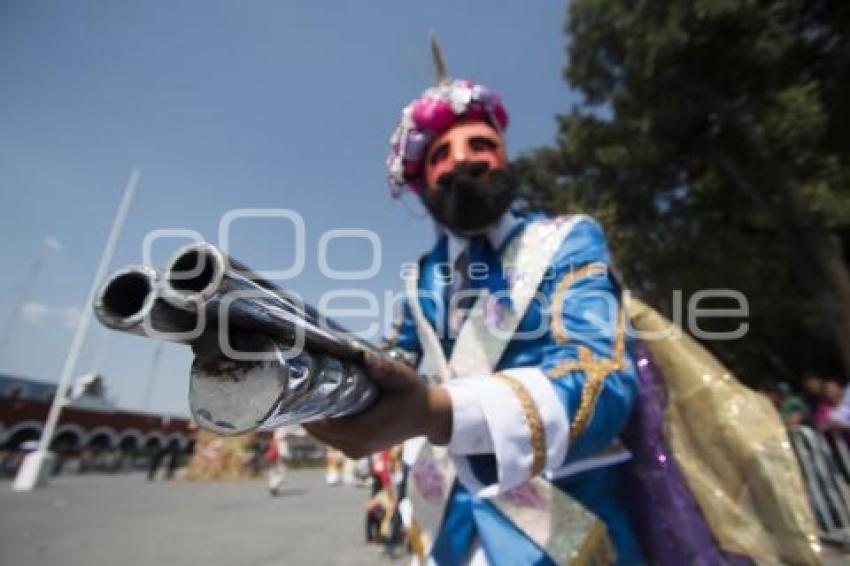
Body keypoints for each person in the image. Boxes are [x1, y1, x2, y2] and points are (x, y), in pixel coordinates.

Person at [306, 42, 819, 564]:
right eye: (441, 154)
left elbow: (602, 378)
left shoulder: (565, 242)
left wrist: (439, 410)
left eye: (480, 143)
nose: (462, 159)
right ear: (423, 185)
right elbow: (399, 360)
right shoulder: (421, 279)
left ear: (505, 156)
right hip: (450, 525)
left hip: (566, 514)